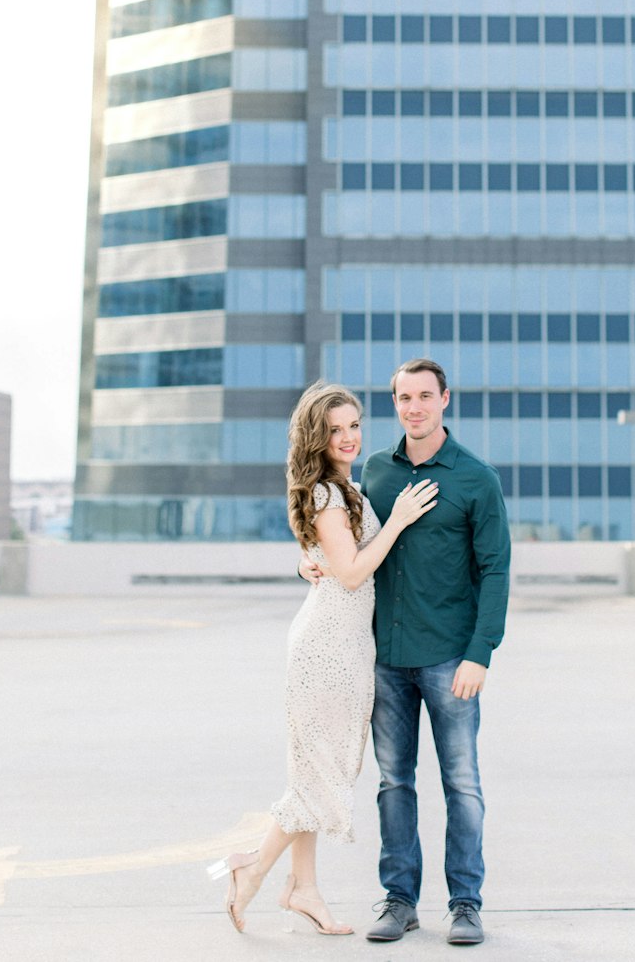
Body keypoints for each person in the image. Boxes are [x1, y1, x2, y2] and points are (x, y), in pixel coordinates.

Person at [209, 380, 438, 936]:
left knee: (314, 771)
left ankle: (304, 888)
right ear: (317, 436)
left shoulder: (343, 490)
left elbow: (331, 558)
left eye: (354, 426)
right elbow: (356, 571)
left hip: (348, 644)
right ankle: (253, 871)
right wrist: (401, 519)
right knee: (323, 776)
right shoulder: (327, 494)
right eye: (335, 430)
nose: (349, 438)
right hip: (327, 649)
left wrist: (307, 561)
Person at [305, 359, 510, 947]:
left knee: (462, 784)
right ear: (394, 403)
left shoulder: (476, 479)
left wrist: (481, 652)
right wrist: (309, 560)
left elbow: (496, 569)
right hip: (386, 656)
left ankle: (466, 904)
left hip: (450, 657)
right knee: (394, 783)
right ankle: (399, 900)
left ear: (445, 399)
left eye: (425, 396)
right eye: (402, 398)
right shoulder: (375, 470)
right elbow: (347, 539)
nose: (413, 407)